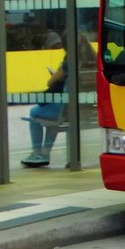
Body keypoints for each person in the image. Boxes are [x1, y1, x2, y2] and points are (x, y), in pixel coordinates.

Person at [22, 33, 97, 167]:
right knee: (56, 116)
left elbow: (50, 82)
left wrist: (57, 73)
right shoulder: (94, 60)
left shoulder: (70, 61)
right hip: (86, 109)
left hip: (67, 109)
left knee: (35, 113)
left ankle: (38, 152)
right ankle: (44, 153)